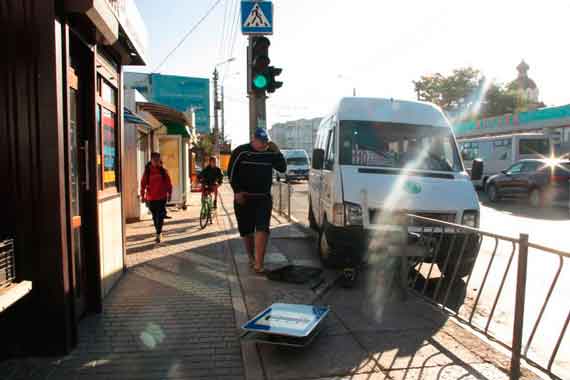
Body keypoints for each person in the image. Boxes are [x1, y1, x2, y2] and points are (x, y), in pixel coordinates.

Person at [228, 128, 286, 273]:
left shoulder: (270, 153)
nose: (263, 144)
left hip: (263, 198)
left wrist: (278, 152)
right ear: (253, 139)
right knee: (247, 232)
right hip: (244, 198)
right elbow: (231, 173)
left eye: (265, 141)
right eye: (261, 141)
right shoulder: (241, 152)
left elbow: (282, 168)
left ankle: (259, 264)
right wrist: (237, 191)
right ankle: (251, 257)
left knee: (262, 228)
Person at [140, 152, 172, 243]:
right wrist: (142, 195)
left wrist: (169, 193)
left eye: (158, 160)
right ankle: (157, 230)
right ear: (151, 160)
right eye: (155, 160)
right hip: (151, 198)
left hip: (162, 197)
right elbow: (143, 184)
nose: (156, 162)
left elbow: (168, 183)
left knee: (160, 215)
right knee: (154, 216)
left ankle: (158, 233)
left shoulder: (163, 171)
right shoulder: (148, 171)